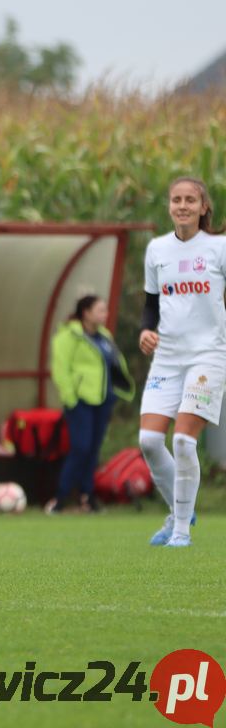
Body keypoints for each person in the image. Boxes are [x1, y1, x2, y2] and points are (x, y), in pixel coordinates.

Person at [137, 176, 226, 548]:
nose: (183, 205)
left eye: (191, 199)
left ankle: (180, 531)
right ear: (169, 206)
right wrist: (146, 331)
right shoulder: (157, 249)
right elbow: (151, 304)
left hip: (208, 356)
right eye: (177, 199)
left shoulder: (219, 247)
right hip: (168, 358)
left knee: (185, 442)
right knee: (150, 441)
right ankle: (180, 508)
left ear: (204, 207)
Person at [44, 294, 135, 515]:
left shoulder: (104, 336)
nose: (105, 314)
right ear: (86, 312)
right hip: (81, 401)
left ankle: (88, 497)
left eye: (105, 310)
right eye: (100, 310)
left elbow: (113, 363)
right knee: (81, 448)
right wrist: (71, 397)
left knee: (93, 450)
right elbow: (60, 369)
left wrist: (118, 388)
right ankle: (60, 497)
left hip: (103, 400)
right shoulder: (68, 336)